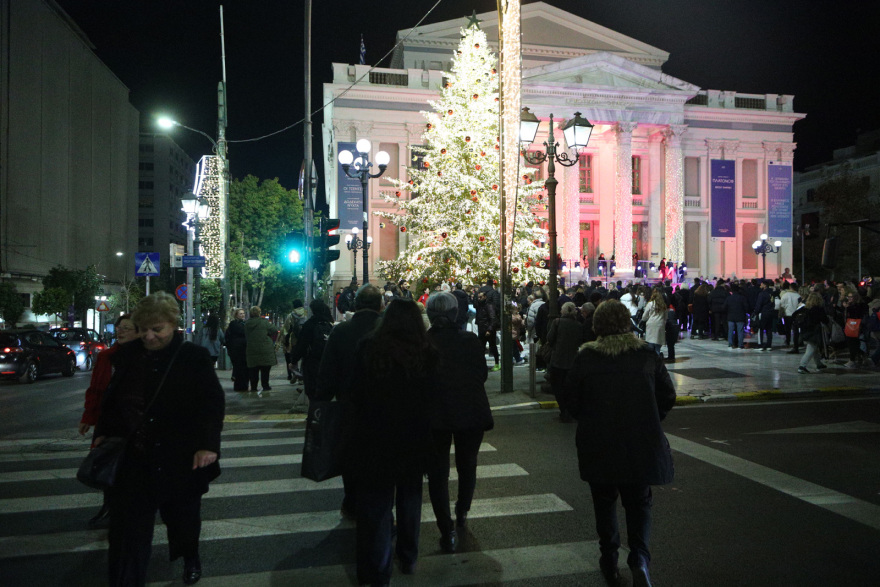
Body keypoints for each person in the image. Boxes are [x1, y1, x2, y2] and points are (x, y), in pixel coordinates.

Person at [93, 292, 224, 586]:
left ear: (173, 324)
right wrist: (103, 431)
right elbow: (113, 399)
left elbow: (211, 403)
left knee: (182, 519)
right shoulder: (127, 356)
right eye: (143, 330)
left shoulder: (192, 358)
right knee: (127, 531)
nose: (149, 337)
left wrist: (207, 445)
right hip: (134, 458)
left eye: (157, 329)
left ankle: (190, 556)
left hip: (179, 455)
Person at [562, 299, 675, 587]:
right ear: (627, 323)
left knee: (604, 503)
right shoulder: (646, 356)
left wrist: (589, 418)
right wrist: (651, 417)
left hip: (599, 444)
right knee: (639, 504)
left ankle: (609, 560)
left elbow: (570, 400)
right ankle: (639, 558)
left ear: (597, 325)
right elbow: (667, 396)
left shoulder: (586, 359)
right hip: (640, 442)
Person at [348, 299, 439, 585]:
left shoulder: (369, 349)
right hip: (414, 439)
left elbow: (353, 396)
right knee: (410, 499)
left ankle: (378, 570)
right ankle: (409, 556)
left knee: (377, 506)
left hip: (375, 438)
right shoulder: (427, 353)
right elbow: (434, 400)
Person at [425, 292, 493, 554]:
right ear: (456, 313)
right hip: (469, 411)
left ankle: (446, 527)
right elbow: (481, 374)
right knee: (468, 465)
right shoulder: (470, 341)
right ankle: (462, 511)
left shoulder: (425, 343)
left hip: (435, 415)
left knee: (438, 473)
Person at [316, 284, 384, 519]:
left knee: (352, 456)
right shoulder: (388, 329)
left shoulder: (342, 331)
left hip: (349, 404)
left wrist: (321, 403)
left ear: (355, 305)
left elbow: (327, 372)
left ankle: (352, 500)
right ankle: (381, 506)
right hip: (384, 406)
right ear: (380, 305)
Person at [78, 313, 139, 529]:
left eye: (126, 328)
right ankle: (109, 507)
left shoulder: (144, 358)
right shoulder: (106, 357)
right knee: (107, 464)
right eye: (119, 327)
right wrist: (88, 417)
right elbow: (95, 389)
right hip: (108, 421)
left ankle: (126, 509)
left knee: (129, 470)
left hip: (132, 425)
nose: (120, 331)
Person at [546, 301, 584, 422]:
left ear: (563, 310)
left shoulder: (557, 322)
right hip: (572, 360)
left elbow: (550, 339)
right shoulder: (578, 325)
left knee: (557, 386)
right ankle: (569, 410)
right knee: (569, 387)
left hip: (557, 359)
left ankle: (564, 410)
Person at [288, 299, 334, 399]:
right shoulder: (329, 324)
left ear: (312, 309)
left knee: (313, 394)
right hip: (328, 365)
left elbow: (302, 345)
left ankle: (315, 413)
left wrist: (293, 361)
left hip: (312, 364)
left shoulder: (309, 325)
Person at [245, 306, 278, 392]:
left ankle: (253, 387)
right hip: (265, 348)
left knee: (253, 370)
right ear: (259, 313)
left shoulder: (247, 324)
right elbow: (274, 329)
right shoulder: (264, 322)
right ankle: (265, 386)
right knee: (265, 369)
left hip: (252, 349)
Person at [798, 293, 830, 374]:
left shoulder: (806, 308)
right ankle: (802, 366)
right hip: (815, 331)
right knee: (811, 348)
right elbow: (825, 320)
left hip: (806, 331)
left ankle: (819, 364)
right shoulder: (818, 309)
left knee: (814, 349)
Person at [475, 289, 500, 371]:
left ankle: (497, 363)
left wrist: (489, 329)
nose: (479, 299)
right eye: (478, 297)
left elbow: (493, 319)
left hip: (488, 330)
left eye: (481, 297)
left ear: (485, 297)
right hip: (482, 329)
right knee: (481, 348)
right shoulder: (480, 305)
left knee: (492, 347)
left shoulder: (488, 306)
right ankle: (483, 364)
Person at [224, 308, 249, 392]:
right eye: (240, 313)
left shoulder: (244, 323)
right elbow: (242, 332)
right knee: (239, 368)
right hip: (237, 350)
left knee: (244, 368)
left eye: (243, 313)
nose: (243, 315)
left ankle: (244, 385)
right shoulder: (234, 324)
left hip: (244, 349)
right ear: (236, 315)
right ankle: (239, 386)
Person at [640, 290, 667, 355]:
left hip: (651, 324)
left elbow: (644, 316)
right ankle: (657, 359)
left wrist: (644, 320)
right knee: (658, 344)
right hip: (660, 325)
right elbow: (666, 317)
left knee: (650, 344)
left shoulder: (650, 304)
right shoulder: (663, 305)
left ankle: (652, 361)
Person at [725, 283, 750, 349]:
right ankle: (740, 344)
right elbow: (746, 307)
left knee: (730, 330)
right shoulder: (742, 298)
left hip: (731, 316)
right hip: (740, 316)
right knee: (740, 331)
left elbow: (724, 307)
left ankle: (730, 343)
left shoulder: (729, 298)